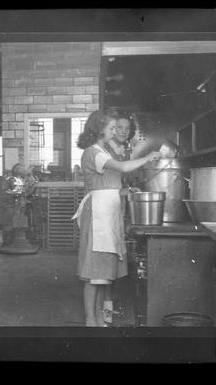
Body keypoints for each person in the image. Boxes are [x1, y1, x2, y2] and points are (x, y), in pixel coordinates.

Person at [73, 110, 160, 327]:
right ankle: (90, 320)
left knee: (104, 270)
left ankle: (102, 316)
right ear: (99, 129)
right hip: (98, 215)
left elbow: (110, 183)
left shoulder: (102, 150)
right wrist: (148, 157)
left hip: (108, 212)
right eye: (112, 127)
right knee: (94, 272)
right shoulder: (93, 152)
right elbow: (121, 168)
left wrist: (124, 192)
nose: (115, 131)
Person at [102, 111, 140, 324]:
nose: (123, 132)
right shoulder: (107, 150)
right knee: (108, 255)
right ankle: (106, 306)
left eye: (127, 128)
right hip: (107, 206)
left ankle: (109, 305)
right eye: (119, 128)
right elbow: (106, 183)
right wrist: (125, 191)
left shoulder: (123, 149)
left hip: (118, 205)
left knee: (115, 255)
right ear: (112, 129)